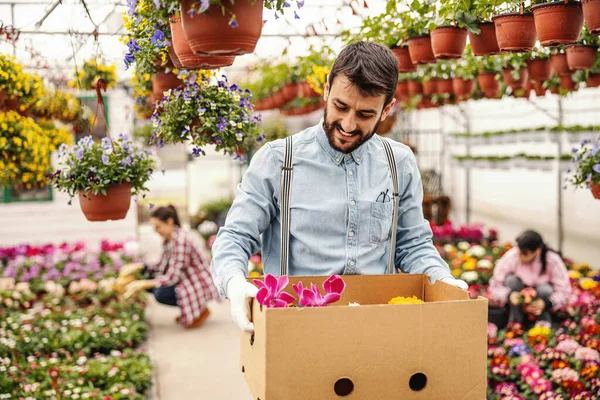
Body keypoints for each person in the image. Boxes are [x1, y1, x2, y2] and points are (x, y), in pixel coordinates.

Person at [210, 41, 468, 333]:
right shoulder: (278, 161)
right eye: (340, 106)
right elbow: (234, 236)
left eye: (365, 114)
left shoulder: (400, 163)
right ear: (326, 89)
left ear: (387, 110)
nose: (347, 124)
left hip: (376, 328)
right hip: (296, 329)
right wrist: (234, 282)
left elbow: (412, 244)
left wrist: (443, 281)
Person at [122, 205, 219, 329]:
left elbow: (173, 277)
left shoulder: (181, 241)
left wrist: (144, 283)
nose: (155, 230)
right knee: (147, 276)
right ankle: (191, 308)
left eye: (157, 226)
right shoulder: (168, 240)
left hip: (197, 282)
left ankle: (200, 310)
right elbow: (160, 266)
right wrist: (140, 267)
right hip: (185, 279)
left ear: (169, 222)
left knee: (160, 293)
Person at [488, 230, 571, 325]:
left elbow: (564, 291)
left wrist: (546, 303)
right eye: (519, 252)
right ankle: (516, 322)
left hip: (540, 298)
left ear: (537, 251)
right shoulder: (512, 256)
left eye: (524, 254)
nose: (519, 257)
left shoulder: (552, 260)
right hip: (518, 297)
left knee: (545, 289)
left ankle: (542, 322)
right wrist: (508, 296)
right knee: (511, 280)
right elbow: (494, 284)